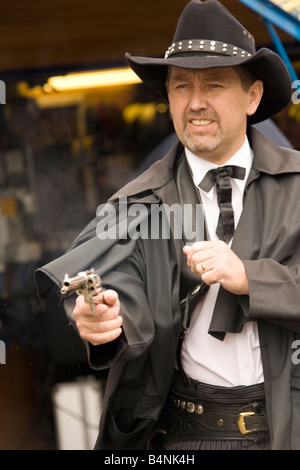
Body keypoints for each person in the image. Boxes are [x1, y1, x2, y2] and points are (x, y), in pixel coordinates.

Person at [36, 0, 300, 450]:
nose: (195, 103)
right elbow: (116, 280)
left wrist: (249, 278)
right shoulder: (135, 203)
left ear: (252, 96)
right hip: (184, 436)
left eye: (213, 84)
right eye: (181, 87)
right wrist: (100, 320)